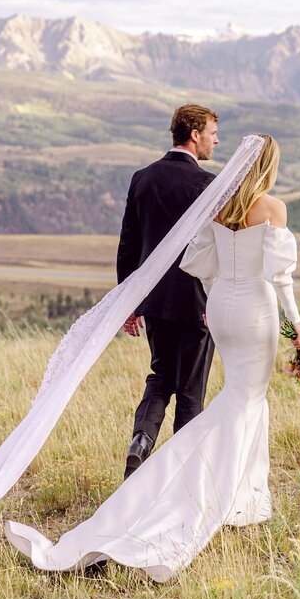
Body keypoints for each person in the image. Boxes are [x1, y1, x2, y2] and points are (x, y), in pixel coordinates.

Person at [3, 133, 300, 581]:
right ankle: (223, 497)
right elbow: (280, 278)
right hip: (253, 309)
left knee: (236, 399)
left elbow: (201, 262)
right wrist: (298, 327)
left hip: (221, 306)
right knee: (245, 400)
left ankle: (246, 498)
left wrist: (217, 295)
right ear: (269, 166)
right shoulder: (272, 208)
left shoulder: (219, 206)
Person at [116, 103, 220, 478]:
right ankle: (182, 476)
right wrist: (217, 297)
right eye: (211, 133)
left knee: (160, 374)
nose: (215, 140)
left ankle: (141, 441)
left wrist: (129, 301)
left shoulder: (141, 178)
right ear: (194, 135)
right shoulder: (207, 185)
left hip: (154, 302)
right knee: (191, 390)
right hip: (197, 303)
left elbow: (128, 244)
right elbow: (216, 247)